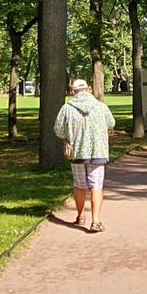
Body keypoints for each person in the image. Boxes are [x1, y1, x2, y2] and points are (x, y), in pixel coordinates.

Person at [55, 79, 116, 233]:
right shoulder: (100, 106)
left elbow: (58, 130)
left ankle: (81, 216)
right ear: (87, 89)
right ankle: (95, 221)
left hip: (77, 152)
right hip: (98, 151)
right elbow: (111, 123)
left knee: (79, 185)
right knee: (97, 186)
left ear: (72, 91)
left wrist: (69, 136)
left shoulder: (67, 108)